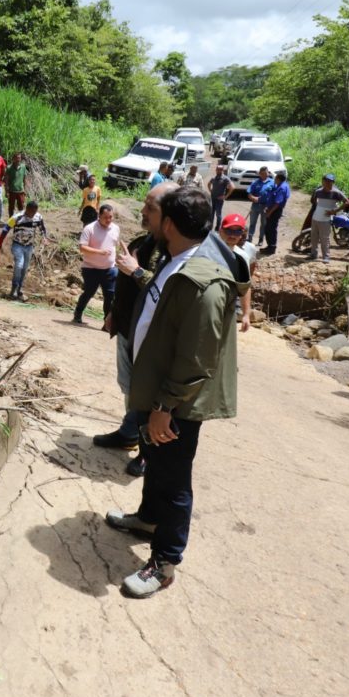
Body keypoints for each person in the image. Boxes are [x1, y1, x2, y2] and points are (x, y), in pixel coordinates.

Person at [103, 186, 248, 599]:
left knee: (174, 478)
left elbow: (197, 358)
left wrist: (165, 406)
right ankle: (148, 518)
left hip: (176, 403)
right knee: (156, 462)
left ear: (170, 223)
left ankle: (164, 562)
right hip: (160, 394)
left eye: (154, 212)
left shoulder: (206, 279)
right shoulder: (179, 259)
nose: (147, 217)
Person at [96, 183, 178, 474]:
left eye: (150, 208)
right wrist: (113, 313)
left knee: (145, 393)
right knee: (130, 389)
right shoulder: (144, 241)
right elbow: (125, 282)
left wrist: (137, 271)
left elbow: (167, 293)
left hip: (150, 338)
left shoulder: (175, 251)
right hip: (128, 327)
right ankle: (129, 432)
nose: (142, 211)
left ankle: (147, 451)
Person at [72, 204, 120, 325]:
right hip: (91, 268)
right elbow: (82, 247)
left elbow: (115, 245)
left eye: (111, 217)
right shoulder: (90, 228)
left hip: (110, 268)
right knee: (89, 292)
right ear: (99, 216)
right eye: (106, 217)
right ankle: (77, 314)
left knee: (110, 295)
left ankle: (106, 323)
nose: (109, 220)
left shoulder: (115, 228)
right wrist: (100, 252)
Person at [0, 199, 48, 301]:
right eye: (31, 212)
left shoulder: (38, 217)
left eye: (34, 212)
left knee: (24, 268)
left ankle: (19, 289)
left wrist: (44, 237)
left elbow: (42, 228)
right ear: (27, 209)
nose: (32, 215)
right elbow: (6, 229)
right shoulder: (17, 217)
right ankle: (14, 289)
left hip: (29, 246)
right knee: (19, 265)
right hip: (17, 245)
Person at [220, 213, 257, 332]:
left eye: (237, 232)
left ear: (241, 235)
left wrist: (246, 314)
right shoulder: (207, 249)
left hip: (227, 306)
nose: (232, 235)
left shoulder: (242, 257)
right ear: (221, 230)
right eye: (229, 230)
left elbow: (244, 286)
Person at [308, 173, 347, 263]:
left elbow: (347, 202)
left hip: (326, 220)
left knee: (324, 238)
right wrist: (319, 208)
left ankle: (326, 257)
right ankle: (313, 254)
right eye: (326, 181)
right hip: (315, 218)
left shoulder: (336, 192)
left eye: (331, 182)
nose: (328, 183)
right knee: (314, 237)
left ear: (333, 182)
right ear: (323, 181)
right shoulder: (318, 191)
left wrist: (334, 211)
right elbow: (313, 201)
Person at [260, 170, 290, 255]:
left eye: (275, 178)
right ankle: (270, 246)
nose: (274, 180)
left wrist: (269, 212)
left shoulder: (282, 188)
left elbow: (277, 203)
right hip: (273, 209)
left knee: (270, 229)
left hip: (275, 211)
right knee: (268, 229)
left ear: (278, 179)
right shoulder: (282, 185)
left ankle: (271, 247)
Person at [245, 166, 273, 245]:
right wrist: (253, 198)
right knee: (252, 222)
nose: (264, 175)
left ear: (268, 173)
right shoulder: (255, 182)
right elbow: (249, 194)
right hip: (255, 205)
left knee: (263, 224)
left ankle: (261, 239)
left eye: (265, 173)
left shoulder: (272, 182)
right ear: (259, 174)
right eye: (262, 173)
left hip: (266, 206)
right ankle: (250, 237)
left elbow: (274, 194)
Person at [207, 164, 234, 229]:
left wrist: (225, 196)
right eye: (218, 169)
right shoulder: (214, 178)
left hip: (219, 200)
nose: (219, 171)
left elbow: (232, 187)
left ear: (223, 170)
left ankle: (217, 227)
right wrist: (210, 190)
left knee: (218, 214)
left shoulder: (225, 178)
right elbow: (209, 184)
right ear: (216, 170)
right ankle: (210, 227)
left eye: (220, 170)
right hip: (212, 198)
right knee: (211, 214)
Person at [4, 152, 27, 219]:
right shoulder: (9, 168)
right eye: (16, 158)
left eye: (19, 158)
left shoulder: (23, 167)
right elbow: (6, 180)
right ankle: (11, 221)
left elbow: (24, 178)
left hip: (20, 191)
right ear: (13, 159)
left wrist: (25, 189)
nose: (18, 159)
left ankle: (21, 220)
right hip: (12, 191)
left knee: (21, 206)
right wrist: (6, 191)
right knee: (11, 207)